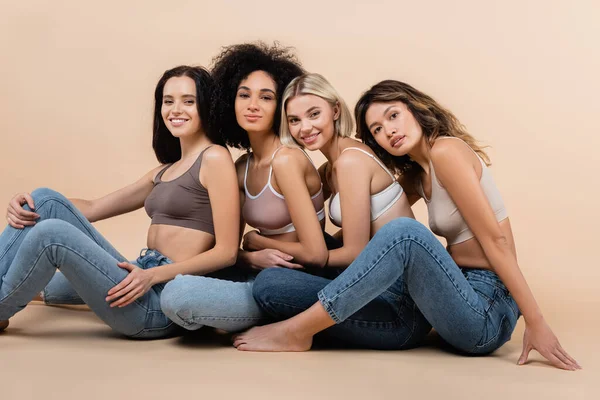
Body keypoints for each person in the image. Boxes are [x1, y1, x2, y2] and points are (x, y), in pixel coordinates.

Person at [232, 80, 581, 372]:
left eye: (394, 116)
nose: (390, 131)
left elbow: (495, 241)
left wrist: (535, 321)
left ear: (415, 108)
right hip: (449, 293)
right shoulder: (418, 173)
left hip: (487, 309)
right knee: (273, 285)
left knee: (404, 234)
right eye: (378, 129)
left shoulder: (446, 151)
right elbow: (377, 220)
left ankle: (298, 331)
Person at [0, 65, 240, 339]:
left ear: (206, 107)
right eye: (168, 101)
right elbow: (92, 208)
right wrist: (26, 203)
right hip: (139, 274)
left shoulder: (214, 158)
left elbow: (227, 252)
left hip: (158, 301)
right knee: (43, 197)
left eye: (188, 101)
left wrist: (154, 276)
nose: (176, 110)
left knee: (50, 234)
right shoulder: (164, 171)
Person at [244, 73, 430, 349]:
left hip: (399, 309)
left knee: (270, 284)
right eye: (294, 120)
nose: (305, 127)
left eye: (314, 114)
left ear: (335, 110)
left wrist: (258, 242)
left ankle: (295, 332)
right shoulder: (333, 166)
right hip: (371, 283)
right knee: (296, 254)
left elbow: (354, 252)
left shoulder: (349, 163)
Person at [159, 43, 329, 333]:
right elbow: (228, 250)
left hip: (293, 281)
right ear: (229, 101)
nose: (252, 105)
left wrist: (258, 241)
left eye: (266, 97)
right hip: (256, 271)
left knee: (180, 293)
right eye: (244, 95)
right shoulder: (241, 166)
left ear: (281, 106)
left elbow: (316, 255)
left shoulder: (286, 160)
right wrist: (250, 254)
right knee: (189, 271)